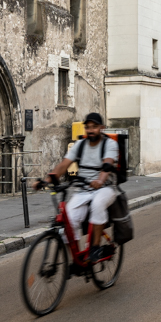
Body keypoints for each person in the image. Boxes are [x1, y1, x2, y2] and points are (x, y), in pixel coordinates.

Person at [36, 112, 118, 263]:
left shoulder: (109, 144)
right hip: (83, 190)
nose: (90, 130)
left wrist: (100, 180)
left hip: (105, 188)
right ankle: (76, 259)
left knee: (97, 203)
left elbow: (107, 163)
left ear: (101, 128)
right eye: (88, 127)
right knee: (68, 221)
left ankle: (95, 247)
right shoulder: (80, 145)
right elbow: (63, 165)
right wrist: (46, 181)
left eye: (94, 127)